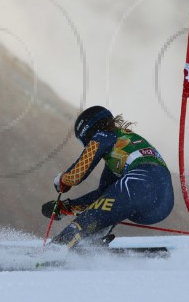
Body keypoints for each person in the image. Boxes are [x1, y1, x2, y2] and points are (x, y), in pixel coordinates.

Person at [42, 106, 174, 248]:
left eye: (83, 142)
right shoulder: (120, 147)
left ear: (88, 132)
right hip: (162, 200)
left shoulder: (103, 136)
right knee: (109, 208)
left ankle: (56, 249)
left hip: (143, 179)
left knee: (84, 222)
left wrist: (62, 179)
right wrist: (67, 206)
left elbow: (76, 175)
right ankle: (91, 244)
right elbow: (104, 196)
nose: (86, 146)